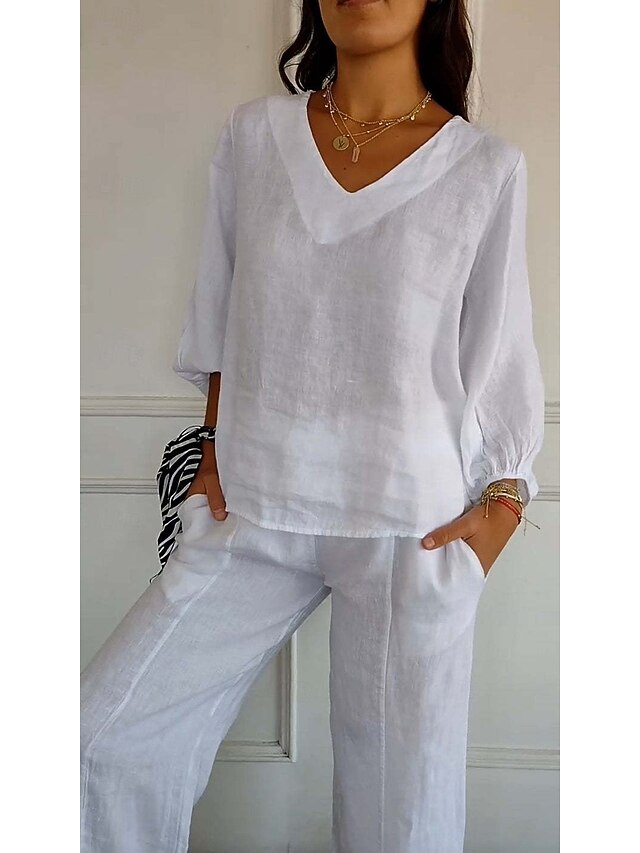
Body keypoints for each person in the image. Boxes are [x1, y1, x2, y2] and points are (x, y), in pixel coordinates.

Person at [80, 1, 545, 850]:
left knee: (400, 825)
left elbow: (500, 354)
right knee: (98, 746)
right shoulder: (254, 139)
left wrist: (502, 507)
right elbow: (221, 316)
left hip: (413, 525)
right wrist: (211, 449)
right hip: (251, 506)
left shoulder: (485, 169)